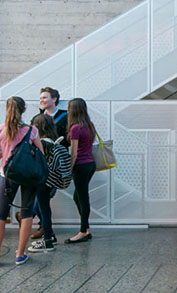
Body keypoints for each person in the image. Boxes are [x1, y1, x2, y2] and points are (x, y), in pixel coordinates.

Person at [0, 96, 43, 268]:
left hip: (9, 175)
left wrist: (7, 154)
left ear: (7, 110)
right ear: (24, 110)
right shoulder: (32, 130)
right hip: (29, 176)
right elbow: (40, 153)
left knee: (1, 213)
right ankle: (20, 254)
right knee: (27, 212)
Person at [28, 86, 67, 241]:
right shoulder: (37, 117)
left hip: (52, 165)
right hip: (44, 168)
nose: (42, 101)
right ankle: (44, 229)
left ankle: (46, 232)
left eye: (45, 97)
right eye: (40, 98)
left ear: (54, 99)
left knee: (44, 200)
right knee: (44, 201)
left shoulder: (64, 116)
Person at [65, 97, 97, 244]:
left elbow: (74, 153)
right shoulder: (89, 125)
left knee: (82, 197)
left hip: (81, 166)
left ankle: (83, 231)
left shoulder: (75, 128)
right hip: (90, 164)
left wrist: (68, 170)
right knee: (77, 197)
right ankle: (87, 228)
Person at [27, 111, 58, 253]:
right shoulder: (53, 142)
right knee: (43, 208)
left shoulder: (42, 143)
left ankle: (48, 240)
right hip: (50, 181)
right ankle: (49, 234)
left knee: (44, 209)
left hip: (41, 181)